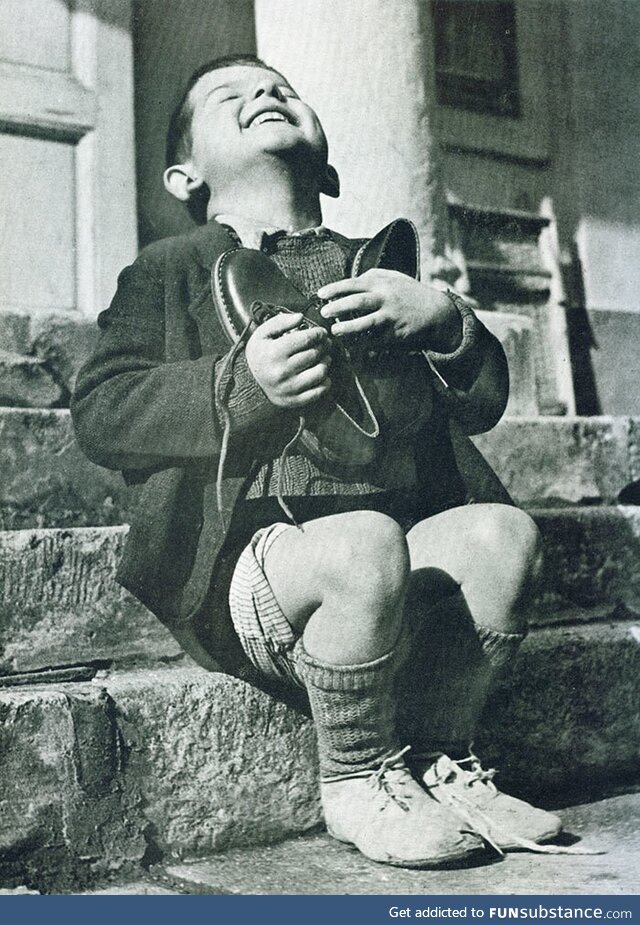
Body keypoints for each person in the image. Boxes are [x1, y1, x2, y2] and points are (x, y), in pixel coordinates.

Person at [71, 54, 560, 869]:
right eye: (232, 97)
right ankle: (359, 772)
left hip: (387, 569)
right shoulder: (171, 268)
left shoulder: (380, 266)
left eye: (284, 91)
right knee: (364, 540)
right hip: (257, 572)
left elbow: (479, 404)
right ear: (184, 174)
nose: (266, 94)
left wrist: (442, 319)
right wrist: (237, 384)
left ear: (328, 164)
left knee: (503, 534)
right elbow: (101, 411)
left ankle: (443, 756)